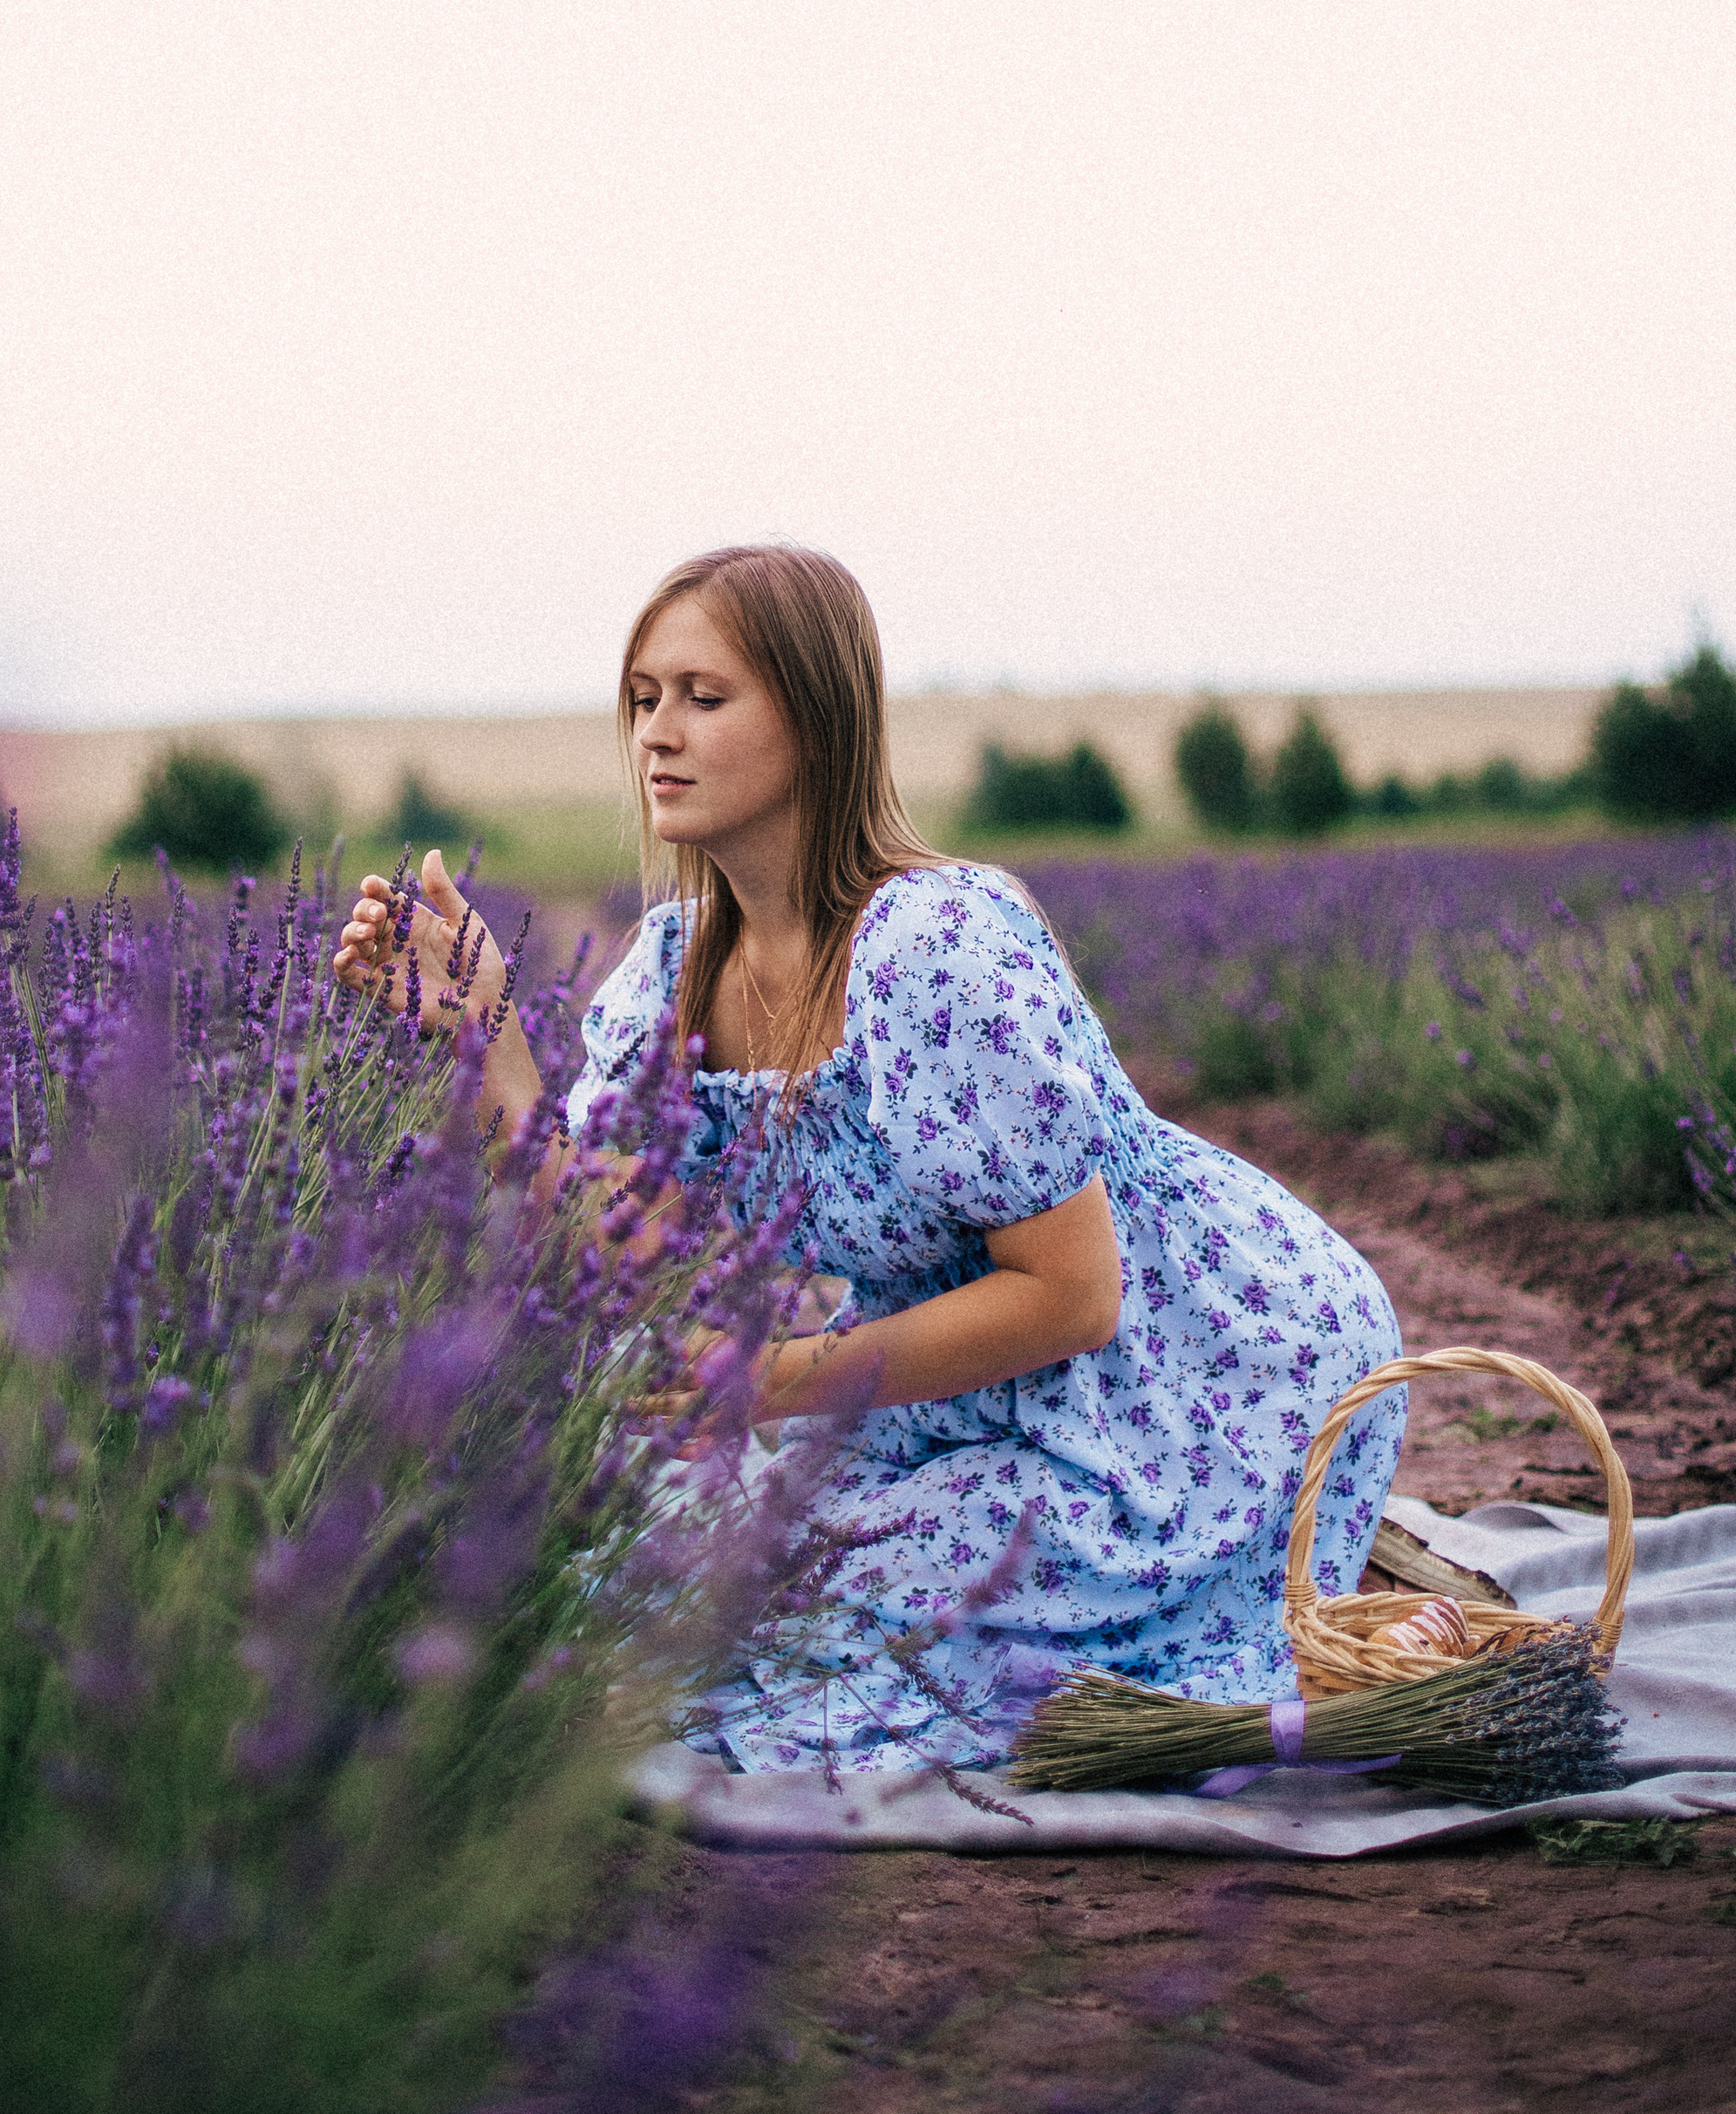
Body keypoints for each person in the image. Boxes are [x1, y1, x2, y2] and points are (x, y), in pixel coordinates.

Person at [335, 543, 1404, 1777]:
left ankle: (1298, 1555)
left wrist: (767, 1383)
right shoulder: (678, 972)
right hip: (934, 1397)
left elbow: (1077, 1294)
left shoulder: (938, 951)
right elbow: (624, 1257)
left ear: (819, 720)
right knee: (621, 1592)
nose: (657, 736)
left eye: (704, 696)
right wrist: (494, 1054)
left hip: (1182, 1380)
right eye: (642, 700)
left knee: (820, 1638)